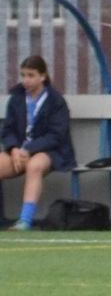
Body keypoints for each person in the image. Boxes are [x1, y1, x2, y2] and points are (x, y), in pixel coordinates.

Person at [1, 56, 77, 230]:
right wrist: (13, 149)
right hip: (19, 152)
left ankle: (25, 220)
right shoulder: (17, 98)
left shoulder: (56, 101)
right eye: (23, 75)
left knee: (35, 165)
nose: (26, 80)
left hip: (51, 152)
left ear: (42, 76)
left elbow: (56, 135)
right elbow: (7, 130)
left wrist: (28, 149)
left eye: (31, 75)